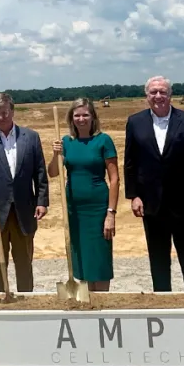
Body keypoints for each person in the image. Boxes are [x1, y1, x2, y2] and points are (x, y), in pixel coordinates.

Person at [123, 77, 184, 292]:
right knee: (158, 258)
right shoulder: (135, 122)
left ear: (170, 95)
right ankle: (162, 300)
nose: (158, 96)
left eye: (162, 92)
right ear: (147, 96)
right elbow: (130, 161)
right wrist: (134, 196)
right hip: (152, 204)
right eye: (153, 92)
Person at [0, 92, 49, 293]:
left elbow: (39, 171)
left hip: (24, 210)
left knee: (24, 262)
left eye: (4, 113)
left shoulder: (30, 137)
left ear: (12, 111)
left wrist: (42, 201)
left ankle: (26, 302)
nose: (1, 117)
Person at [49, 98, 119, 291]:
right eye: (77, 115)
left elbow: (114, 179)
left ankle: (102, 300)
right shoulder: (66, 142)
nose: (81, 119)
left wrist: (110, 213)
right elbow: (53, 172)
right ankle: (87, 300)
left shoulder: (103, 140)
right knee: (81, 257)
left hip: (98, 209)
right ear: (71, 117)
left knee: (100, 258)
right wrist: (56, 154)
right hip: (75, 210)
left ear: (93, 116)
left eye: (85, 114)